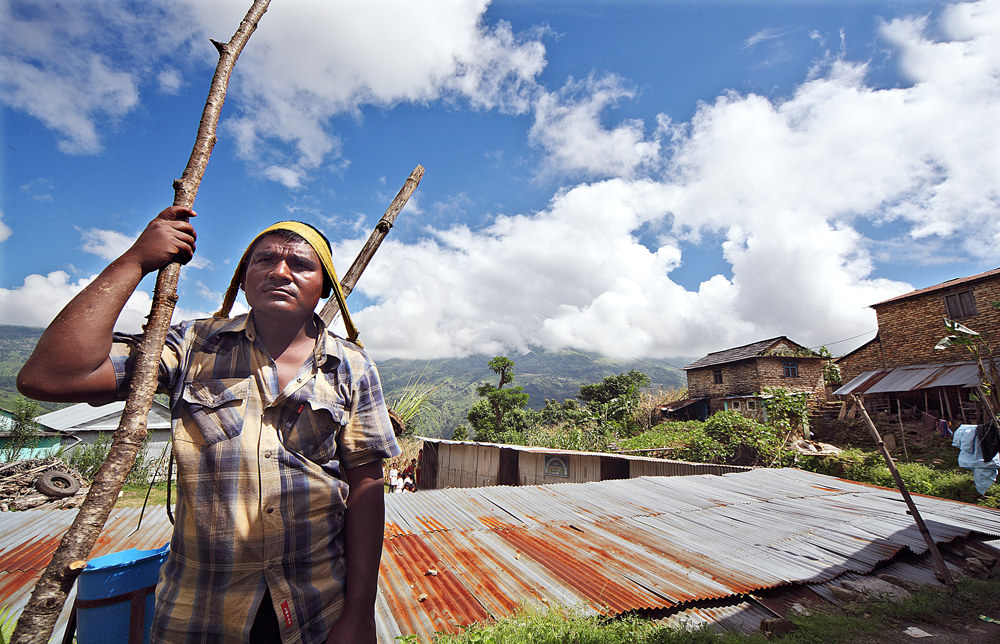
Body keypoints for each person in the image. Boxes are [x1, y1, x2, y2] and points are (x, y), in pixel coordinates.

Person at [17, 207, 400, 644]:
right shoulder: (192, 347)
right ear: (242, 278)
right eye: (264, 260)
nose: (280, 271)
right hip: (199, 611)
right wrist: (135, 261)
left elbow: (367, 488)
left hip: (316, 607)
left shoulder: (350, 365)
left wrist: (358, 614)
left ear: (323, 287)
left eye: (300, 264)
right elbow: (49, 377)